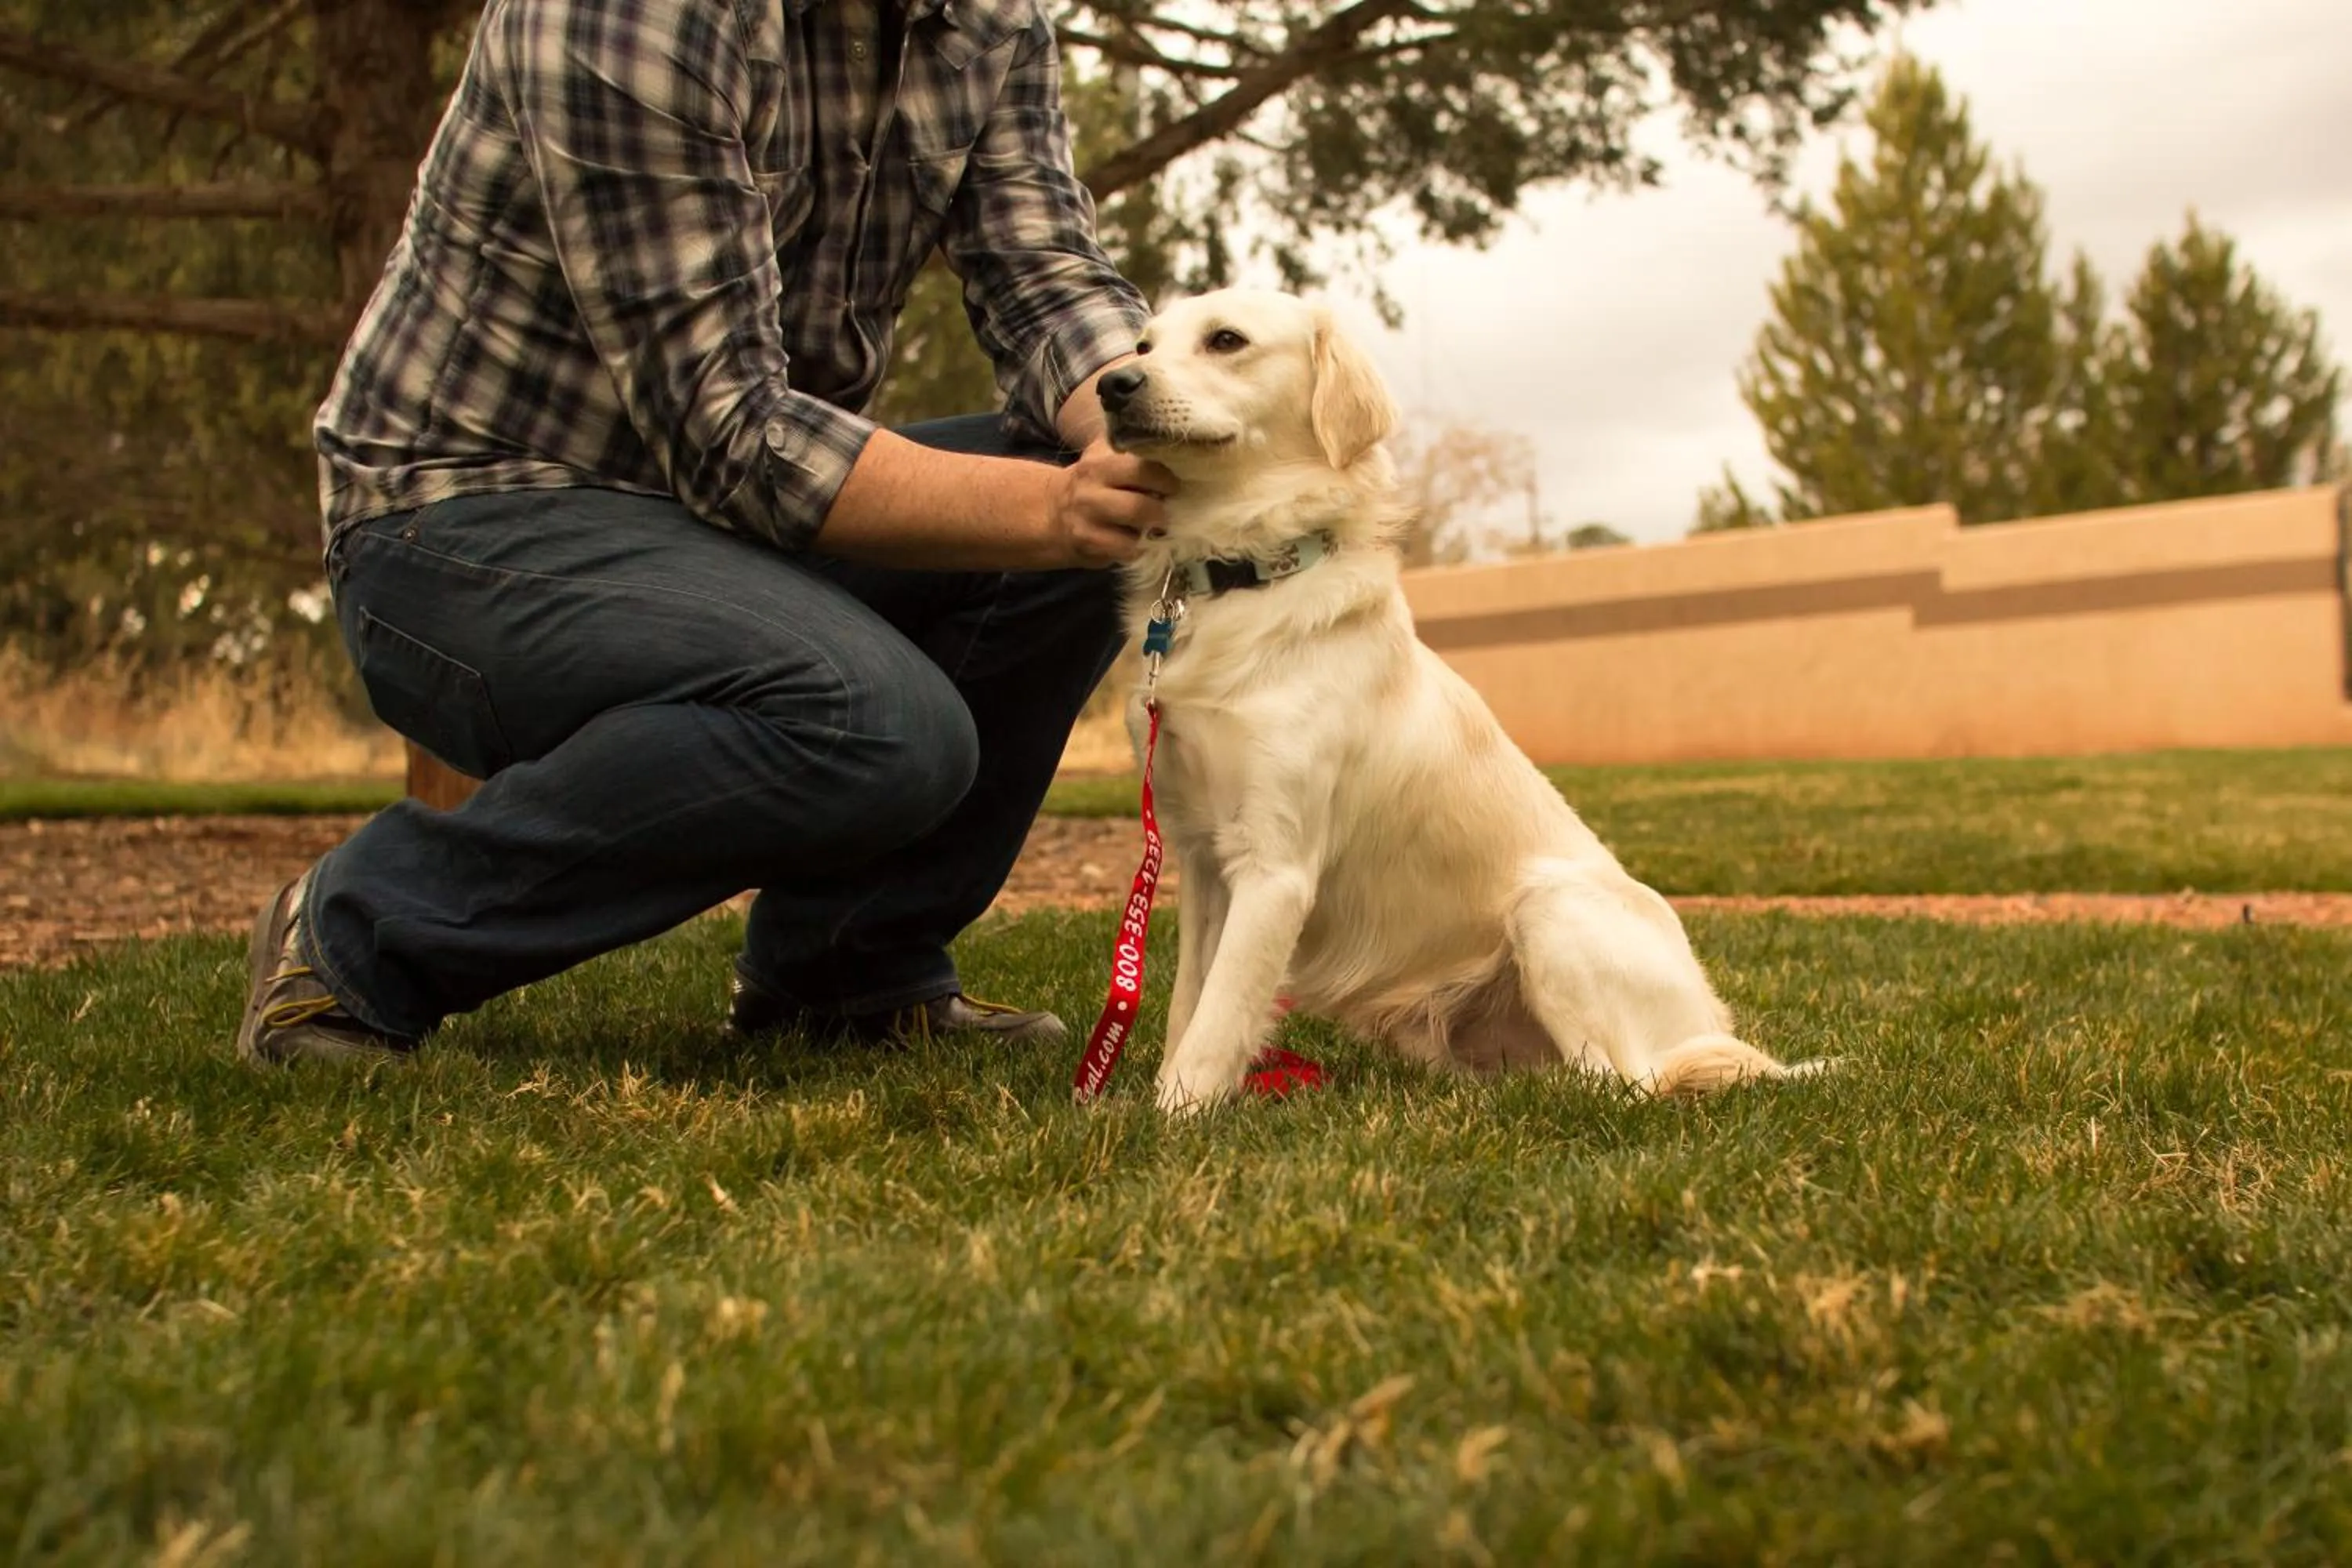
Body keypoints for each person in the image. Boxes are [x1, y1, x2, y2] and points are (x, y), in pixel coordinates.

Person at [236, 0, 1175, 1065]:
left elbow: (1048, 281)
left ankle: (844, 974)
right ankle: (357, 935)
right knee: (882, 723)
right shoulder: (629, 14)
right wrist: (1056, 512)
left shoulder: (985, 20)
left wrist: (1141, 432)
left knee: (1085, 515)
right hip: (462, 523)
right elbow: (725, 427)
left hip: (724, 526)